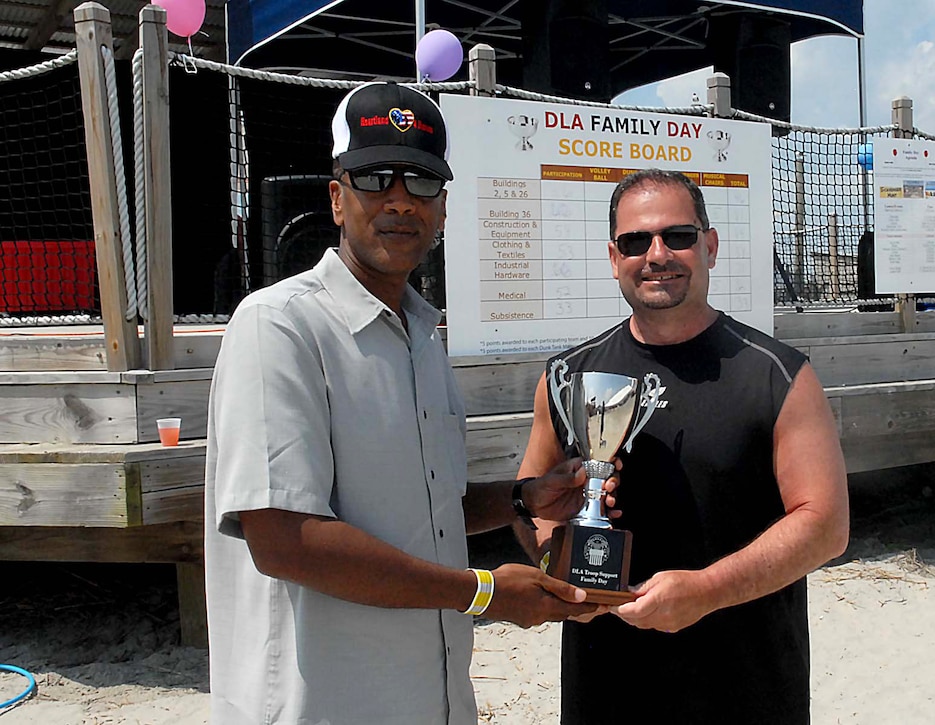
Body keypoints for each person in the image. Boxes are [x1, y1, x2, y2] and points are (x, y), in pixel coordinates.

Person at [204, 82, 602, 725]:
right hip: (322, 705)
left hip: (428, 697)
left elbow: (426, 509)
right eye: (374, 178)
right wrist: (483, 594)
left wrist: (523, 498)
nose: (399, 201)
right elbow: (283, 541)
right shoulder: (279, 326)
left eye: (420, 182)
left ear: (443, 208)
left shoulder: (421, 332)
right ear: (337, 198)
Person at [515, 168, 850, 724]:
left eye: (678, 236)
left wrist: (706, 591)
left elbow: (825, 526)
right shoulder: (567, 377)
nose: (657, 254)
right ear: (613, 256)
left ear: (710, 246)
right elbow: (531, 504)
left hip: (745, 686)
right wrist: (558, 568)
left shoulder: (779, 375)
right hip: (606, 685)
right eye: (635, 241)